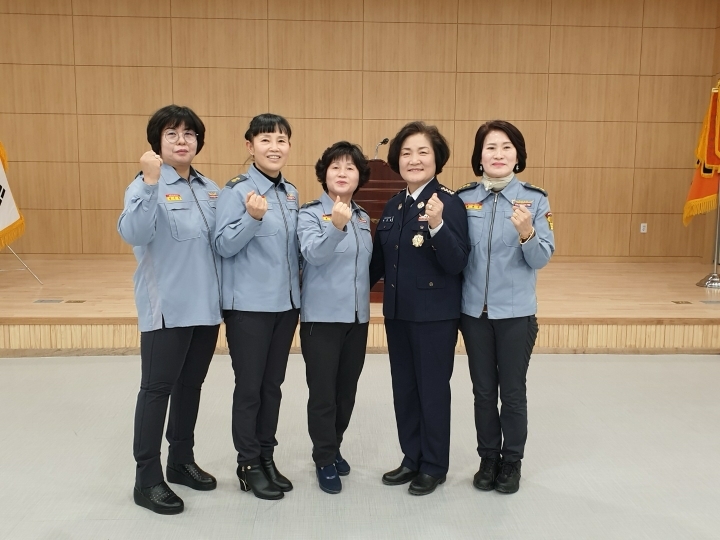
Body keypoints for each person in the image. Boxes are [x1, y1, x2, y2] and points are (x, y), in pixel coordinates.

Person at [118, 105, 222, 515]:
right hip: (168, 309)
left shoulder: (210, 188)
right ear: (157, 142)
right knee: (156, 390)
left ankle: (181, 460)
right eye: (172, 134)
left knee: (190, 386)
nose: (182, 141)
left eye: (189, 133)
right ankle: (146, 478)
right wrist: (149, 182)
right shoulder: (144, 185)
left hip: (206, 309)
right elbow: (134, 233)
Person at [369, 121, 470, 496]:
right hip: (398, 314)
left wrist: (438, 225)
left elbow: (457, 262)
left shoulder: (449, 203)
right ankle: (412, 457)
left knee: (432, 391)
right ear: (397, 159)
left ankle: (434, 465)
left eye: (422, 152)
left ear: (436, 158)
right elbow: (377, 264)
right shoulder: (394, 205)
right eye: (407, 153)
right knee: (405, 390)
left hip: (434, 317)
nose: (414, 159)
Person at [456, 120, 555, 494]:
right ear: (479, 157)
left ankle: (511, 461)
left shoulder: (535, 200)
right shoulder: (463, 199)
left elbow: (541, 258)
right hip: (474, 314)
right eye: (490, 147)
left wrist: (527, 233)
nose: (498, 154)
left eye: (506, 147)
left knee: (512, 392)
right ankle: (488, 458)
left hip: (515, 315)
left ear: (517, 156)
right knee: (483, 392)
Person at [214, 113, 300, 501]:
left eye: (281, 140)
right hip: (249, 307)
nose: (274, 147)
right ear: (250, 146)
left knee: (272, 387)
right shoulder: (235, 191)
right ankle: (248, 464)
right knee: (250, 388)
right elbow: (222, 245)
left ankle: (266, 457)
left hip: (285, 306)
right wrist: (251, 219)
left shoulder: (291, 192)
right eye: (265, 140)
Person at [297, 141, 372, 494]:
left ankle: (335, 444)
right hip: (322, 319)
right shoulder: (310, 214)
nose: (342, 173)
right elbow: (312, 254)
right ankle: (324, 457)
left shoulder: (363, 217)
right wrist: (335, 227)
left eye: (350, 168)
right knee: (323, 394)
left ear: (359, 177)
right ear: (324, 174)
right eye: (335, 167)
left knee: (347, 393)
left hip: (357, 319)